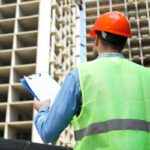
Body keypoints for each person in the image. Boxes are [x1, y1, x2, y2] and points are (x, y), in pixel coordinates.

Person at [33, 11, 150, 150]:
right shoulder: (146, 76)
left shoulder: (79, 76)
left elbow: (48, 133)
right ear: (124, 42)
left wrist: (43, 110)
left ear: (96, 40)